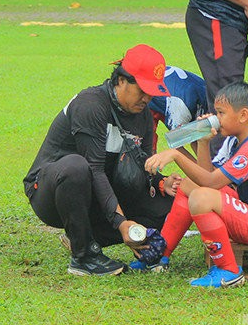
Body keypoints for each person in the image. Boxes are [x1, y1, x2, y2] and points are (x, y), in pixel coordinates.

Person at [23, 45, 180, 276]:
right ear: (122, 81)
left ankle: (85, 236)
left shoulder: (144, 116)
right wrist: (121, 222)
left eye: (152, 92)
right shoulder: (91, 104)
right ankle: (84, 256)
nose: (147, 98)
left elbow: (141, 163)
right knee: (76, 167)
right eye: (142, 90)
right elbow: (93, 169)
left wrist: (160, 182)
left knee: (168, 205)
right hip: (52, 191)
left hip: (101, 190)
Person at [145, 81, 248, 288]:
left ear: (243, 115)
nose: (216, 119)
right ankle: (159, 255)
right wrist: (203, 141)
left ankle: (229, 270)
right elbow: (205, 178)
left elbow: (210, 183)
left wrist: (175, 154)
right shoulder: (234, 140)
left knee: (201, 197)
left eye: (221, 113)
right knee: (189, 186)